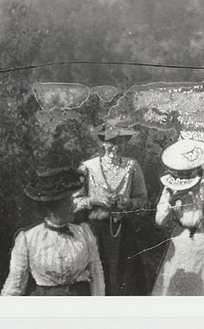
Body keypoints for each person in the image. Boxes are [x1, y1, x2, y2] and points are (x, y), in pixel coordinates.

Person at [1, 166, 105, 296]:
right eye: (68, 202)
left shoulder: (84, 233)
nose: (74, 206)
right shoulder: (28, 239)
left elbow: (97, 277)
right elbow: (15, 286)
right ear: (52, 209)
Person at [73, 121, 149, 295]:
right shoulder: (88, 167)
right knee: (98, 280)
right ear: (103, 142)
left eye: (121, 141)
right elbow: (73, 203)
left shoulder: (132, 166)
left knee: (125, 284)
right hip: (96, 232)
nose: (116, 146)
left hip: (123, 234)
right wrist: (94, 200)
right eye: (112, 142)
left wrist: (128, 202)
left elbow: (144, 201)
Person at [151, 139, 204, 296]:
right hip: (182, 244)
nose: (184, 177)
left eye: (189, 172)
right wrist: (170, 202)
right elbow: (160, 221)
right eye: (180, 172)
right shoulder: (169, 189)